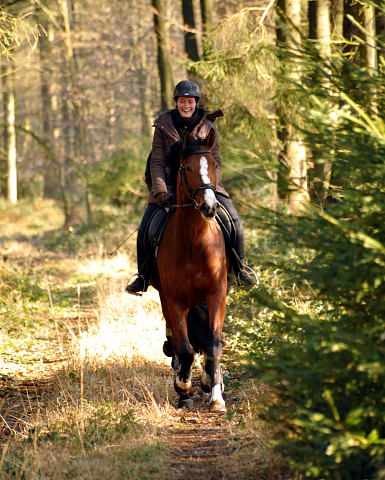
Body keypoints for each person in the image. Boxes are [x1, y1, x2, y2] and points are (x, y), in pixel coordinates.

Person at [125, 80, 255, 296]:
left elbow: (216, 162)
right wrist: (160, 191)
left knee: (234, 221)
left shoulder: (209, 126)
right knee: (145, 227)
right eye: (183, 101)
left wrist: (209, 189)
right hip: (169, 188)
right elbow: (156, 161)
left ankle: (241, 268)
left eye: (191, 101)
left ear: (196, 103)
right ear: (176, 102)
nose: (187, 105)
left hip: (206, 188)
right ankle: (143, 276)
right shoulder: (163, 126)